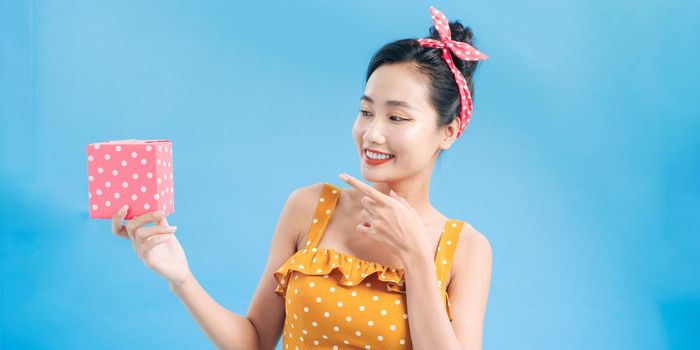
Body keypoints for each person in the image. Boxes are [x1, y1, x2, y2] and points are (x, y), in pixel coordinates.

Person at [111, 6, 492, 350]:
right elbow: (256, 341)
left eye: (397, 117)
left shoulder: (466, 250)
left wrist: (416, 257)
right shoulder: (310, 208)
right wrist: (181, 278)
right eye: (366, 111)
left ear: (449, 131)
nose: (372, 133)